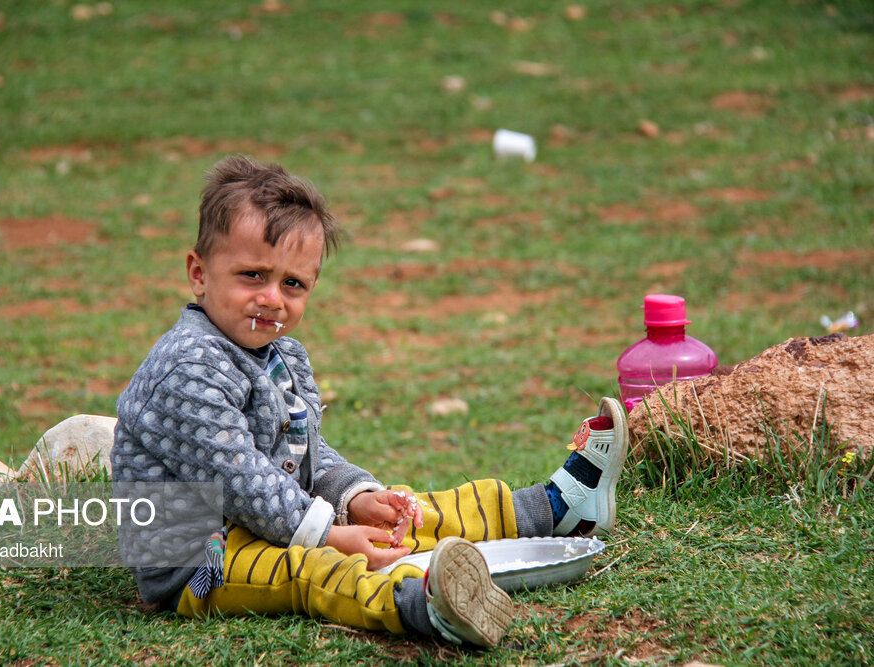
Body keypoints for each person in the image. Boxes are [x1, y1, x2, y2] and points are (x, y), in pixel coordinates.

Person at [111, 155, 629, 648]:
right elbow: (241, 479)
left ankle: (551, 510)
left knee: (399, 510)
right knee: (316, 570)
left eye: (293, 283)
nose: (272, 297)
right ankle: (421, 605)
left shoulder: (281, 355)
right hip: (196, 556)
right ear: (199, 274)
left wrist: (355, 498)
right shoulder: (190, 366)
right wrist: (328, 537)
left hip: (266, 519)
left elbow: (306, 457)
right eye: (253, 275)